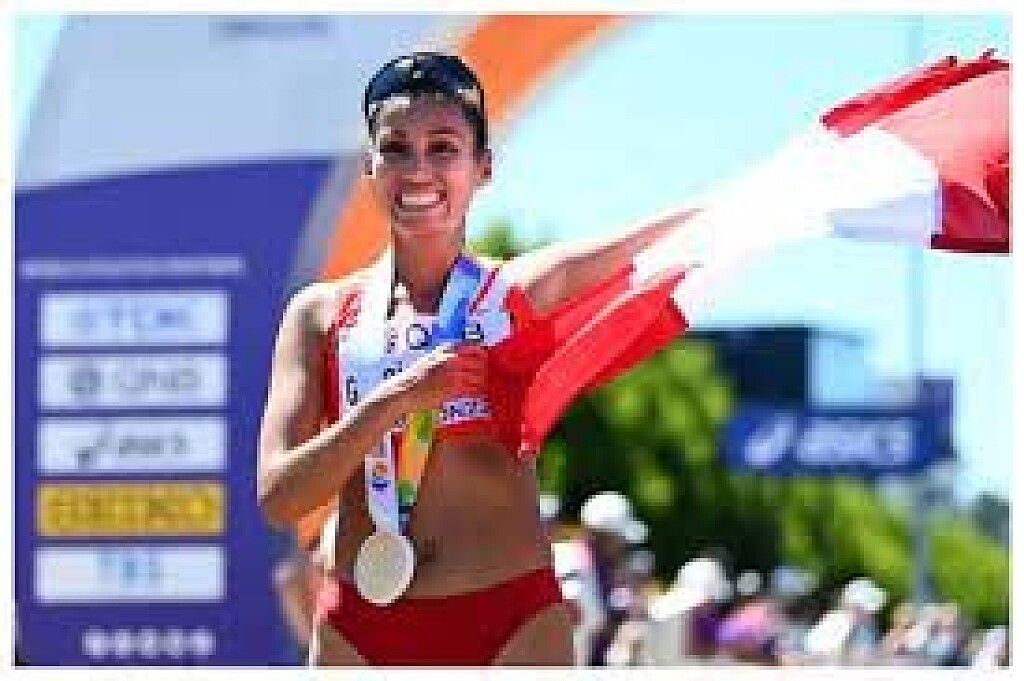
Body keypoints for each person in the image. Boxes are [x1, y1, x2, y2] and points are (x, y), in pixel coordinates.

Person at [256, 52, 691, 666]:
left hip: (510, 621)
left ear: (483, 167)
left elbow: (680, 241)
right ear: (370, 167)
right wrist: (396, 399)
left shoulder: (520, 294)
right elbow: (280, 497)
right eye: (396, 149)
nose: (419, 170)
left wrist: (798, 185)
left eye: (443, 148)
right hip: (362, 621)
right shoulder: (319, 315)